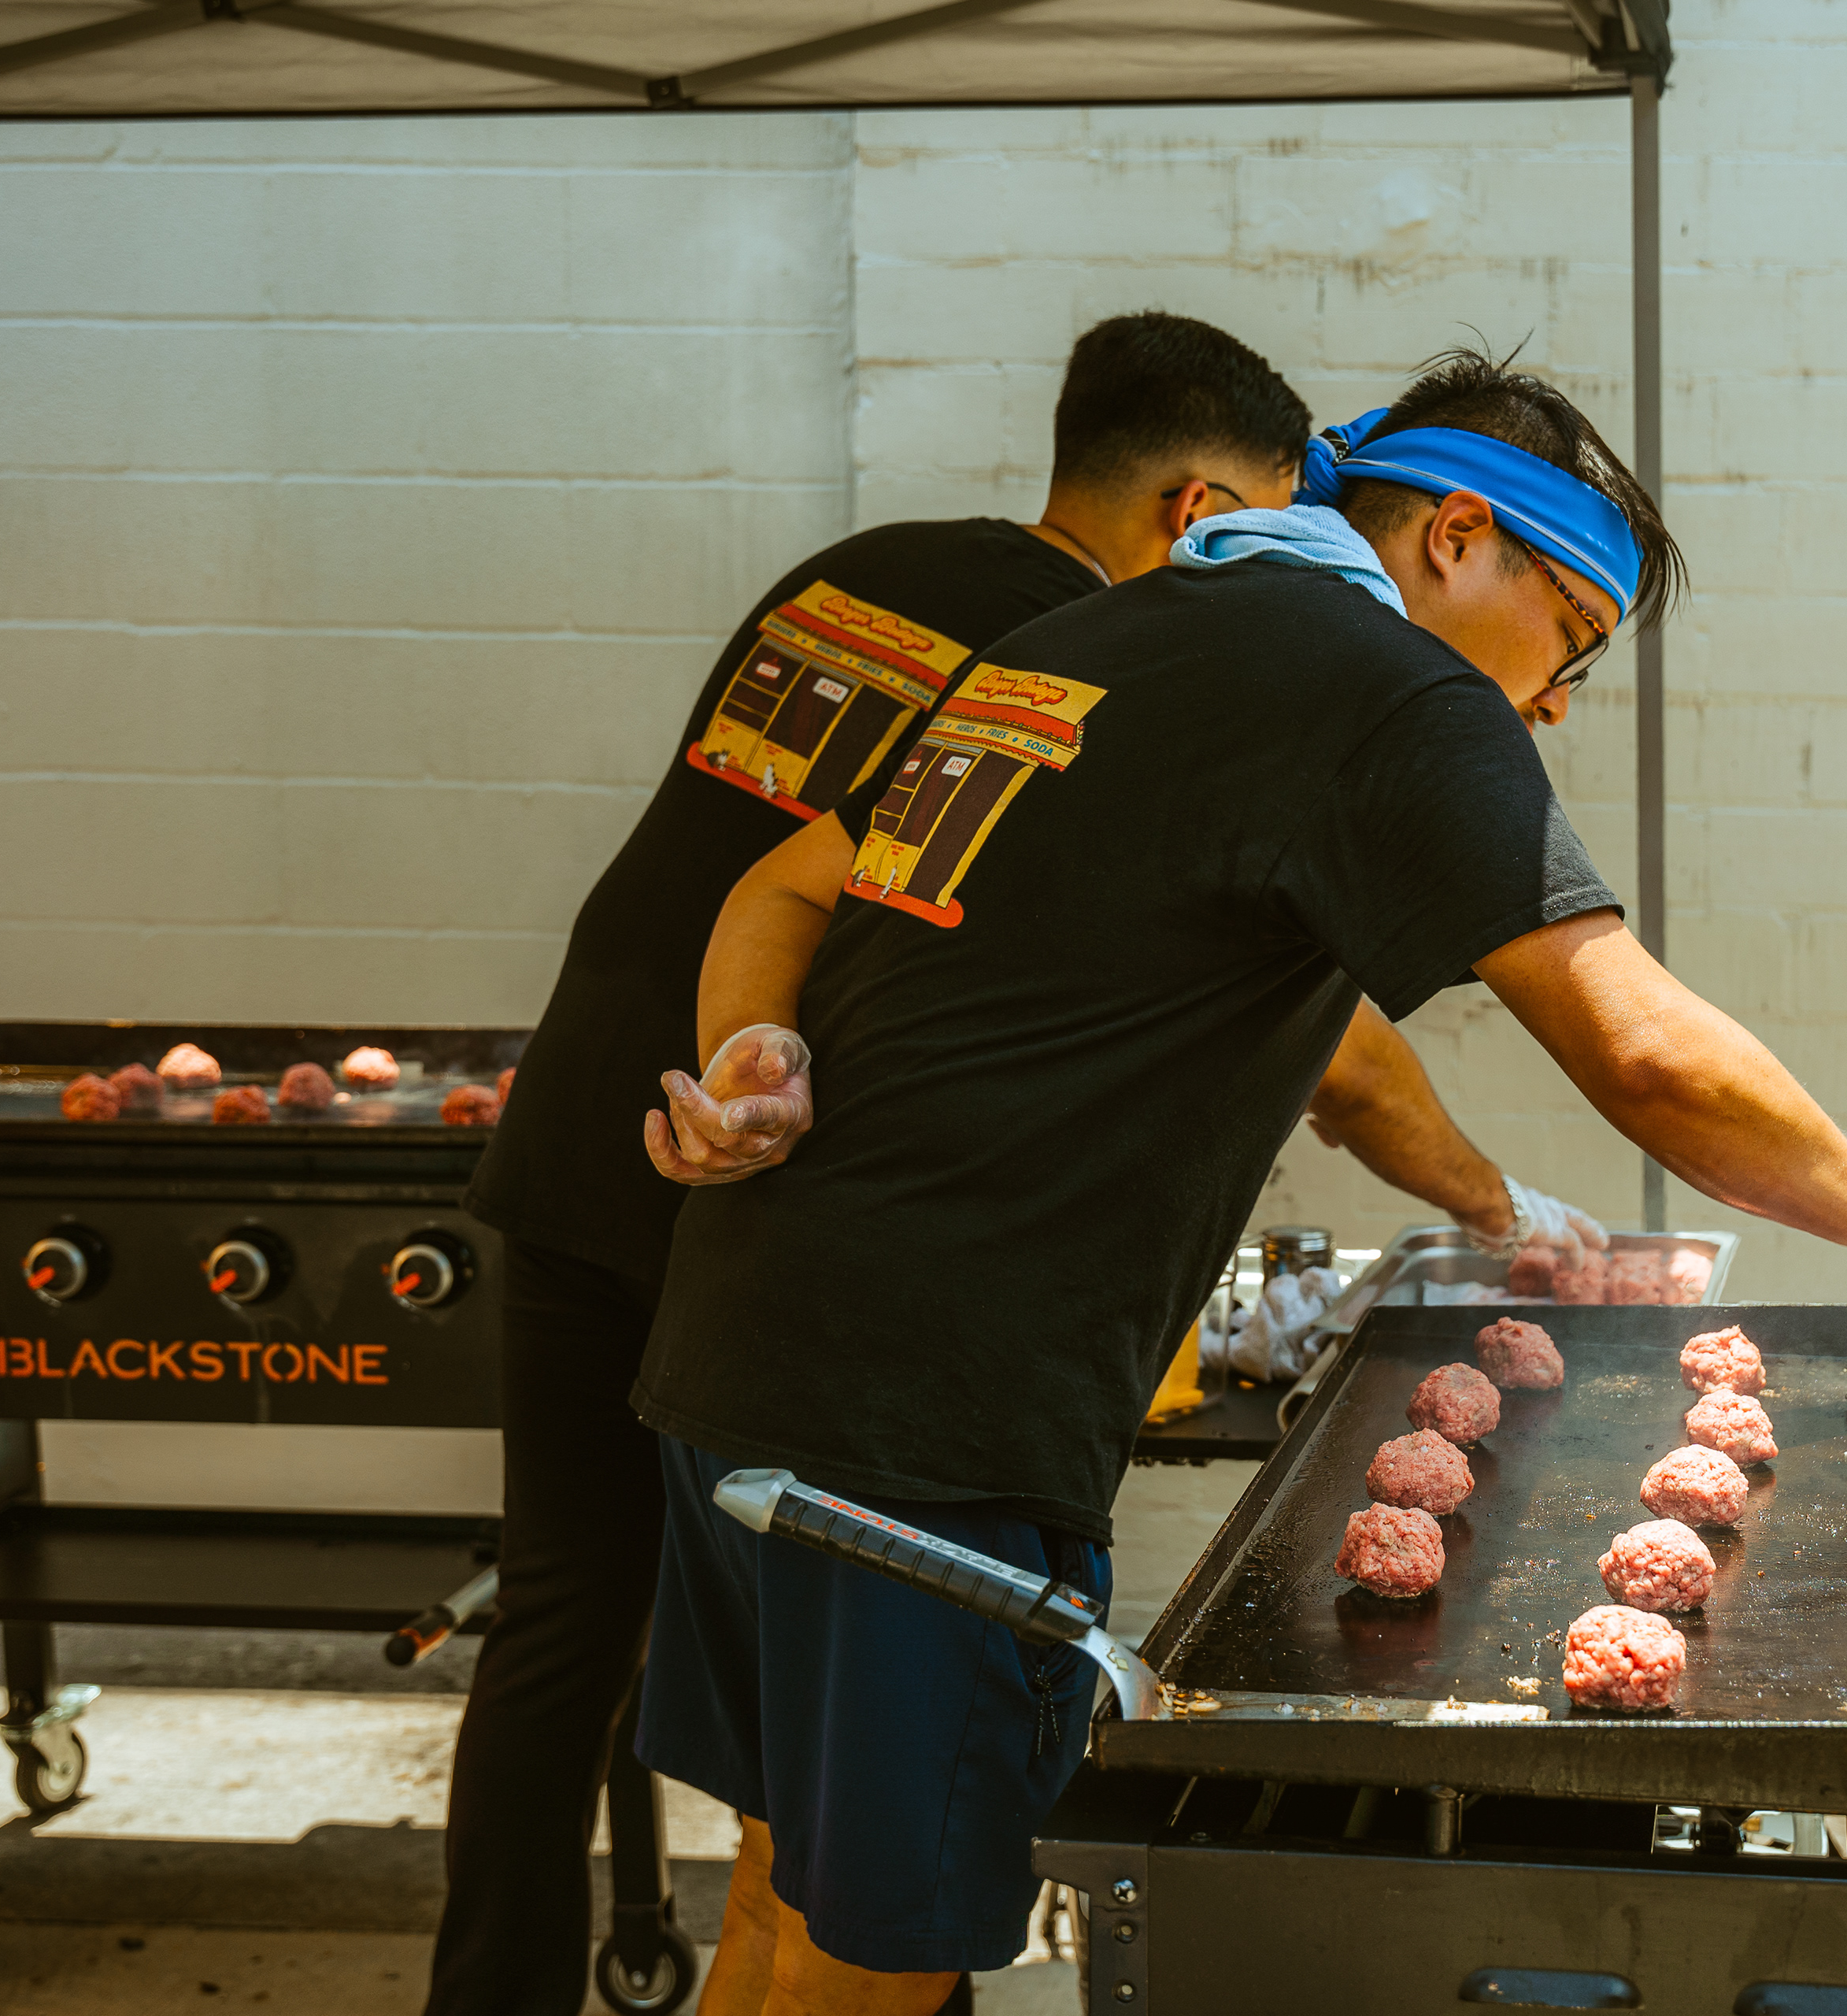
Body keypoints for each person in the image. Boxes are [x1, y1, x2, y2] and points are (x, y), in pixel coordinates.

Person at [630, 349, 1847, 2016]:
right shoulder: (1386, 689)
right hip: (921, 1429)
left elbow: (782, 889)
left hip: (741, 1360)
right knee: (877, 1965)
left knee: (782, 1896)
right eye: (1572, 640)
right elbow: (1637, 1046)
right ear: (1456, 537)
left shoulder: (1086, 642)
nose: (1555, 704)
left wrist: (756, 1055)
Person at [430, 312, 1591, 2016]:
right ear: (1204, 513)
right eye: (1282, 523)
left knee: (592, 1665)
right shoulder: (1149, 651)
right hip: (808, 1221)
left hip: (644, 1162)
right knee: (884, 1870)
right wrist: (1501, 1201)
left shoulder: (878, 576)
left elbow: (779, 871)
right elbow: (1340, 1042)